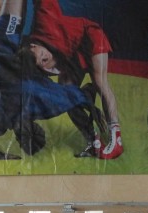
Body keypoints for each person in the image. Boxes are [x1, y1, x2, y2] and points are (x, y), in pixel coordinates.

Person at [0, 0, 102, 160]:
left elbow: (55, 94)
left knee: (13, 13)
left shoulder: (19, 104)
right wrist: (83, 97)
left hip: (0, 46)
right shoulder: (14, 108)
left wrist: (83, 97)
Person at [24, 0, 123, 159]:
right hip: (73, 54)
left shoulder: (44, 22)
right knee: (67, 99)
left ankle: (116, 140)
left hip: (89, 35)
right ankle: (93, 141)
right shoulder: (32, 65)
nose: (45, 59)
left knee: (100, 82)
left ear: (33, 45)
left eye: (43, 56)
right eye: (42, 63)